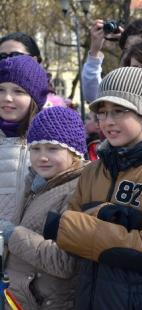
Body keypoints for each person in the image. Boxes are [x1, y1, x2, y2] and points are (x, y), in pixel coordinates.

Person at [42, 67, 142, 309]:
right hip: (90, 297)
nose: (108, 121)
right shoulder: (94, 170)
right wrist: (110, 221)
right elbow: (66, 237)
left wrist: (84, 222)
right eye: (102, 113)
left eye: (119, 111)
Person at [0, 107, 88, 309]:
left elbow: (64, 262)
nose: (42, 157)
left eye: (53, 148)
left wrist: (13, 234)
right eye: (36, 148)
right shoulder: (36, 183)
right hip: (21, 298)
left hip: (48, 302)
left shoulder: (76, 191)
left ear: (74, 152)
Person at [0, 55, 49, 222]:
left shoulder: (49, 143)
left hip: (29, 243)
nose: (7, 97)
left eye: (18, 91)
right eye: (1, 89)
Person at [82, 18, 142, 102]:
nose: (131, 56)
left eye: (139, 48)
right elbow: (94, 96)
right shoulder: (123, 87)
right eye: (127, 49)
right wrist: (94, 51)